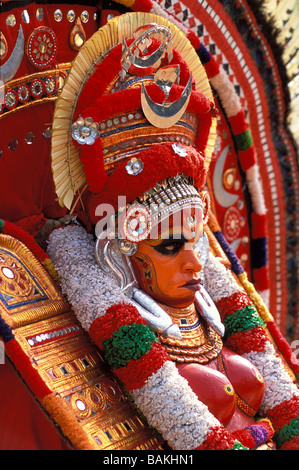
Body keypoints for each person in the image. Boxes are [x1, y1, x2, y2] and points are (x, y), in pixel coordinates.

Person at [46, 12, 299, 450]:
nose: (196, 260)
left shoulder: (212, 311)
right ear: (119, 251)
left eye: (196, 240)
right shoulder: (104, 311)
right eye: (169, 246)